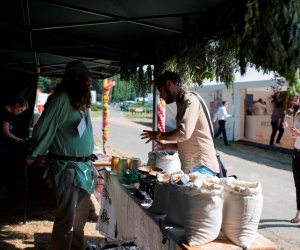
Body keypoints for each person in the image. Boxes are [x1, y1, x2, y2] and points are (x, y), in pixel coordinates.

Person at [26, 60, 96, 250]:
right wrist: (34, 154)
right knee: (67, 220)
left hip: (84, 168)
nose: (89, 84)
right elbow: (43, 129)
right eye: (85, 81)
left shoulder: (81, 101)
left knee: (79, 221)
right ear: (76, 80)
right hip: (69, 169)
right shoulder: (61, 99)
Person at [140, 71, 219, 175]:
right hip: (194, 167)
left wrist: (158, 135)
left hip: (202, 167)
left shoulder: (188, 99)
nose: (161, 96)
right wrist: (165, 147)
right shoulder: (182, 101)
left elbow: (183, 133)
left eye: (161, 90)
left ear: (169, 84)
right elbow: (187, 140)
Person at [0, 97, 29, 198]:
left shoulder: (7, 114)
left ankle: (3, 190)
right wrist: (21, 140)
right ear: (16, 105)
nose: (20, 112)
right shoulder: (4, 112)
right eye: (21, 109)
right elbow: (6, 132)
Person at [290, 109, 300, 223]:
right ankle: (298, 213)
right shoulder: (298, 114)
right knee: (298, 184)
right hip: (296, 153)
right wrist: (293, 132)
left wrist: (298, 133)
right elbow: (294, 136)